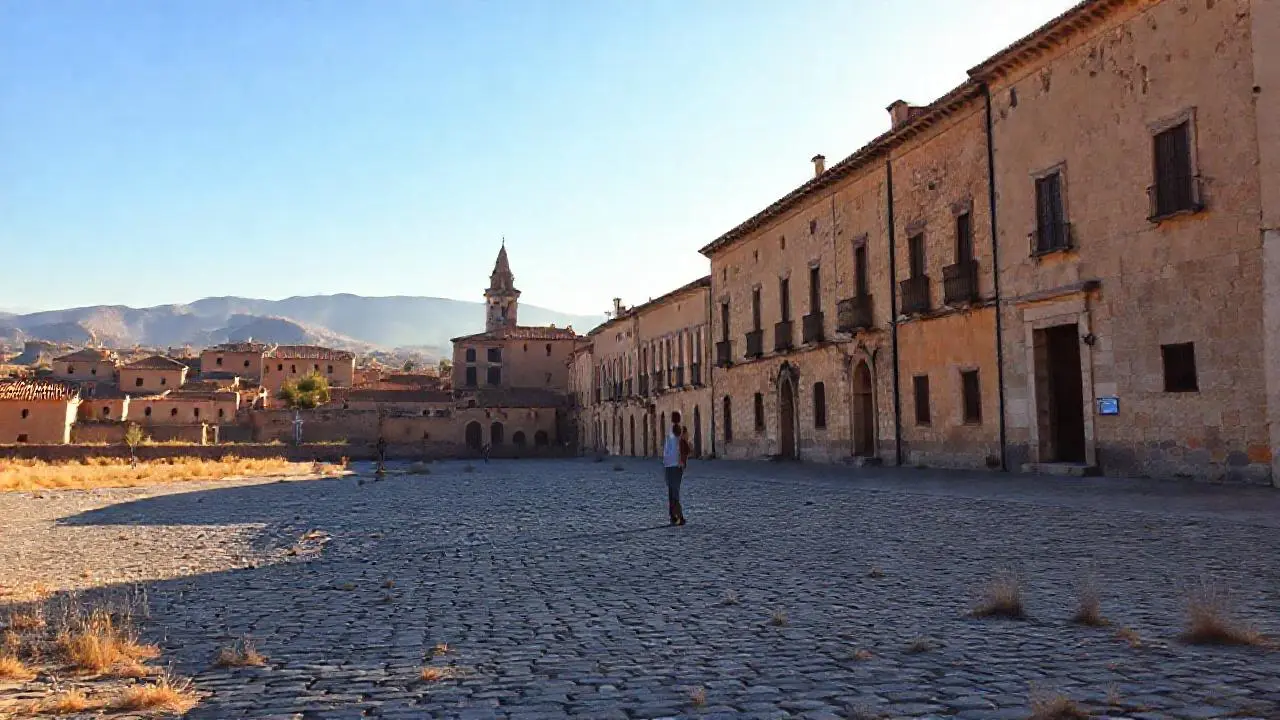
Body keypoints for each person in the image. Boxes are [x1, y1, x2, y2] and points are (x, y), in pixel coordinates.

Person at [662, 412, 690, 526]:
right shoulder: (681, 431)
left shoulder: (670, 432)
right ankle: (678, 516)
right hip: (676, 465)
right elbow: (685, 448)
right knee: (675, 491)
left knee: (671, 491)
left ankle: (674, 516)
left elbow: (667, 449)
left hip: (669, 464)